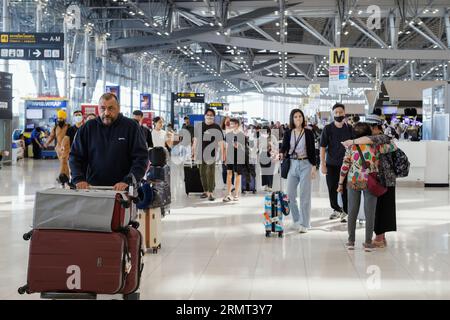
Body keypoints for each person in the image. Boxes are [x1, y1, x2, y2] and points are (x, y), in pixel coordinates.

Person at [69, 93, 148, 190]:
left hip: (124, 189)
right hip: (93, 188)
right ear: (98, 108)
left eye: (111, 108)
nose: (106, 113)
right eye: (103, 108)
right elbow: (75, 156)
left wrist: (128, 181)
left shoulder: (131, 127)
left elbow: (141, 158)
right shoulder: (88, 128)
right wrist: (79, 179)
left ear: (118, 109)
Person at [337, 122, 396, 252]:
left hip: (354, 180)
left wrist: (340, 183)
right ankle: (368, 243)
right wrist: (376, 138)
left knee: (352, 211)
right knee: (370, 213)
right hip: (371, 180)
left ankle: (351, 241)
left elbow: (345, 166)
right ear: (369, 134)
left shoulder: (351, 147)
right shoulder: (376, 146)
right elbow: (393, 146)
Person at [280, 109, 317, 233]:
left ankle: (305, 223)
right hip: (292, 164)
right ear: (292, 119)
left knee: (305, 195)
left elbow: (312, 150)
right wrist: (279, 153)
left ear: (303, 118)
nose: (298, 119)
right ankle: (296, 220)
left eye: (300, 116)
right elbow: (284, 147)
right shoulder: (288, 133)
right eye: (295, 116)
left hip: (306, 163)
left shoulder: (308, 133)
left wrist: (314, 167)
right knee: (289, 195)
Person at [320, 103, 353, 222]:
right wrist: (322, 164)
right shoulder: (328, 129)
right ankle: (336, 209)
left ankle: (345, 211)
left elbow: (354, 145)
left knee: (345, 188)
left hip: (346, 165)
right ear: (333, 114)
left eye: (340, 112)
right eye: (336, 113)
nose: (338, 114)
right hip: (331, 164)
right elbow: (322, 147)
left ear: (345, 113)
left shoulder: (349, 128)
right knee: (332, 187)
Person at [192, 108, 224, 201]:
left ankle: (211, 193)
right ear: (205, 116)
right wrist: (193, 152)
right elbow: (195, 140)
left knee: (210, 173)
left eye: (211, 115)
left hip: (211, 153)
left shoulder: (216, 127)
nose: (209, 116)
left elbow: (221, 142)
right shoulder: (199, 126)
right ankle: (205, 191)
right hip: (200, 152)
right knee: (202, 173)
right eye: (208, 114)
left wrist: (223, 154)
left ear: (213, 117)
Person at [223, 118, 245, 202]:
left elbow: (245, 148)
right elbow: (226, 146)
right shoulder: (228, 135)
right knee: (229, 174)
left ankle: (236, 194)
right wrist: (224, 158)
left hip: (239, 157)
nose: (230, 125)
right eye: (230, 124)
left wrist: (238, 146)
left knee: (238, 175)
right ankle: (228, 193)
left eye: (232, 124)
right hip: (230, 156)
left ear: (237, 125)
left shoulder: (242, 135)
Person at [44, 110, 71, 177]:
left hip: (66, 148)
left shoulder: (69, 127)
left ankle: (61, 176)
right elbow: (51, 136)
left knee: (63, 161)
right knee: (63, 163)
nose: (59, 120)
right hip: (58, 148)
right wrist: (47, 143)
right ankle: (66, 177)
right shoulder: (55, 127)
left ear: (64, 119)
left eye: (61, 118)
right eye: (58, 118)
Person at [259, 126, 277, 192]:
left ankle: (270, 186)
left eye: (267, 132)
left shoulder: (273, 137)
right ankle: (265, 185)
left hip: (271, 154)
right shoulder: (261, 138)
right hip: (263, 154)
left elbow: (276, 146)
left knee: (270, 171)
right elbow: (259, 146)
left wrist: (271, 145)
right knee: (264, 171)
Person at [220, 116, 234, 187]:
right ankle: (225, 183)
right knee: (224, 169)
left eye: (230, 121)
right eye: (227, 121)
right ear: (224, 122)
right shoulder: (222, 131)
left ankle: (232, 183)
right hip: (224, 151)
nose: (228, 123)